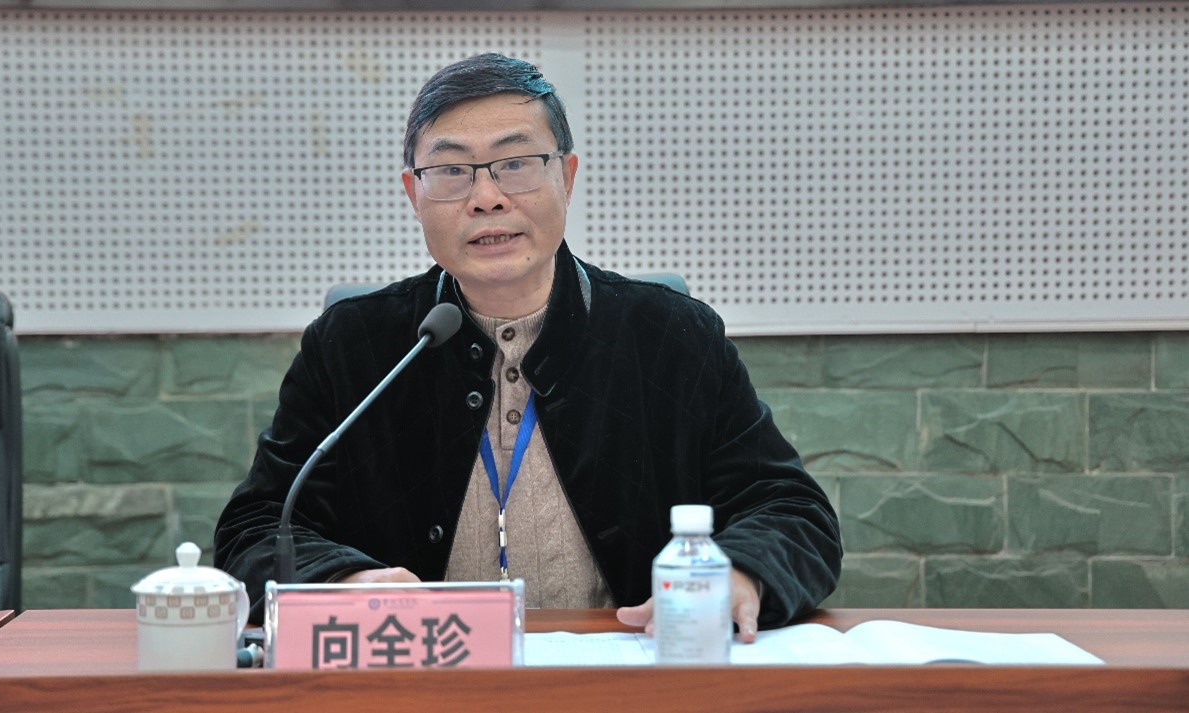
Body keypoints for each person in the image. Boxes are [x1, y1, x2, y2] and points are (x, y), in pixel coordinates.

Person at [214, 53, 841, 641]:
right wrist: (343, 581)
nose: (487, 197)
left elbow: (792, 511)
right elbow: (257, 527)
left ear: (566, 175)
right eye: (451, 171)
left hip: (626, 671)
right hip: (419, 675)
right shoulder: (355, 344)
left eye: (515, 163)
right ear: (413, 194)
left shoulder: (670, 337)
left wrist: (740, 572)